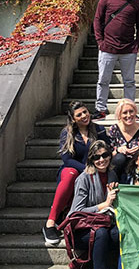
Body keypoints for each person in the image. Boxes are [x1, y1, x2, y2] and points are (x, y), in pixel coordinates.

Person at [43, 101, 106, 246]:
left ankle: (68, 220)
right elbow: (66, 159)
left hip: (93, 173)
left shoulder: (99, 130)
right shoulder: (68, 133)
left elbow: (107, 149)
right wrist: (86, 168)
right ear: (73, 119)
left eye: (85, 112)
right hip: (72, 170)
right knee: (71, 174)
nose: (84, 116)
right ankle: (50, 223)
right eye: (79, 114)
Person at [67, 140, 118, 269]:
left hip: (105, 223)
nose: (101, 159)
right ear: (90, 160)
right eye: (96, 157)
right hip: (83, 230)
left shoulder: (112, 174)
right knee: (101, 234)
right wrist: (104, 205)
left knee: (117, 234)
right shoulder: (84, 178)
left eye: (105, 155)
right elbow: (76, 211)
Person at [92, 0, 139, 119]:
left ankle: (130, 111)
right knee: (103, 80)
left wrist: (137, 43)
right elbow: (97, 20)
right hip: (107, 47)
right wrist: (99, 41)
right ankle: (100, 109)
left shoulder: (136, 4)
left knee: (129, 82)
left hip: (128, 49)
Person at [105, 99, 139, 176]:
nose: (129, 115)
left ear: (135, 112)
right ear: (119, 115)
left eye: (131, 111)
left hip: (138, 167)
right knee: (120, 158)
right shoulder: (114, 129)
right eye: (124, 113)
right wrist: (118, 150)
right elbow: (107, 155)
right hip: (118, 168)